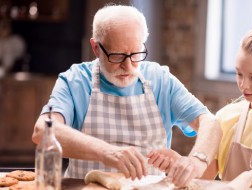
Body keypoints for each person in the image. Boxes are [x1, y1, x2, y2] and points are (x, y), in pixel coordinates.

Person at [31, 4, 222, 185]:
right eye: (117, 56)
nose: (128, 66)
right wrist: (106, 152)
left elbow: (209, 123)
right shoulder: (76, 80)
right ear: (96, 48)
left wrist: (197, 161)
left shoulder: (160, 80)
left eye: (135, 54)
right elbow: (42, 131)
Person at [148, 28, 252, 189]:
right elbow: (201, 182)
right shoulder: (226, 117)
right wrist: (179, 165)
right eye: (239, 74)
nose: (244, 85)